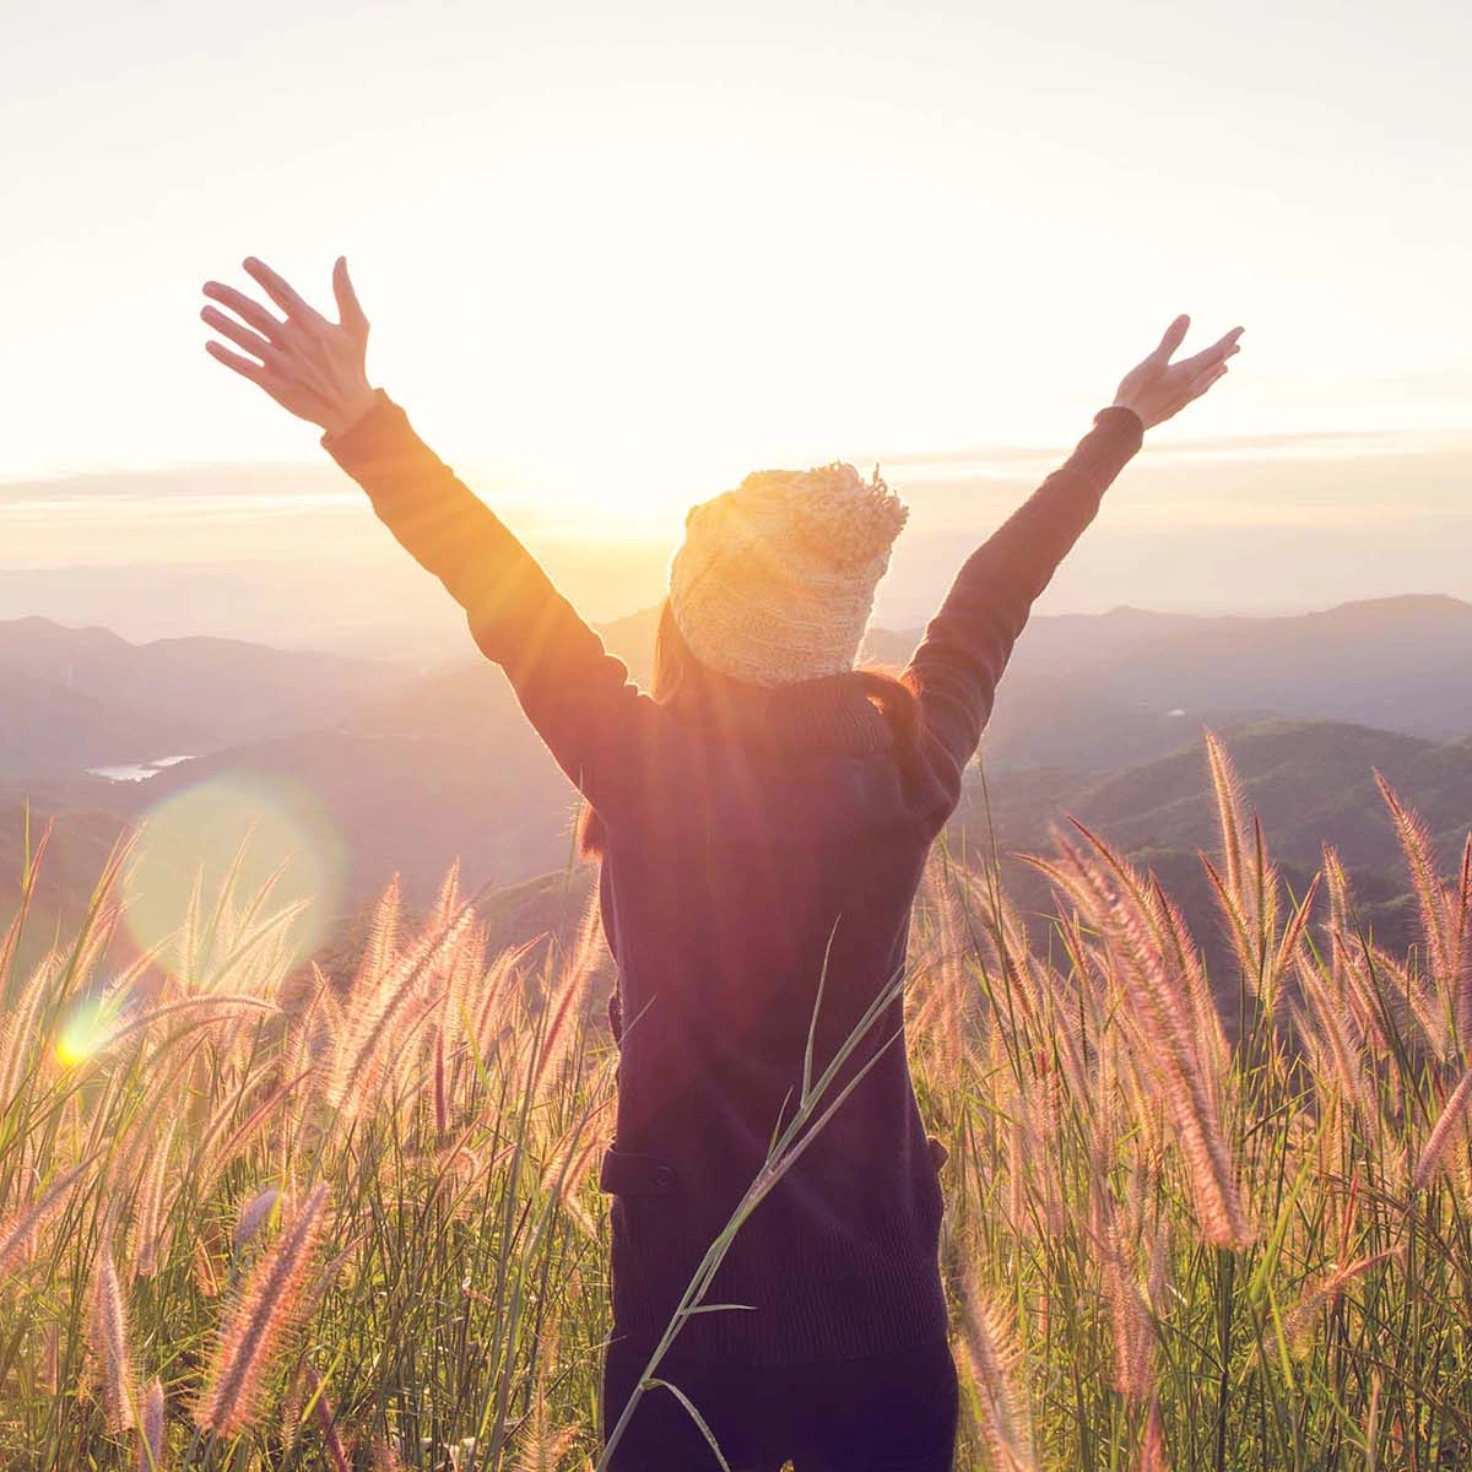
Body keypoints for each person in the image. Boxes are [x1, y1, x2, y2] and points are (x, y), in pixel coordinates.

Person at [201, 256, 1241, 1471]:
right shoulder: (908, 768)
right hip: (882, 1314)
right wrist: (1118, 424)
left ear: (688, 620)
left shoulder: (644, 770)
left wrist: (364, 424)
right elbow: (990, 598)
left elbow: (503, 594)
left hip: (683, 1327)